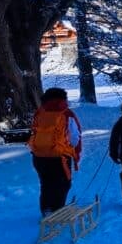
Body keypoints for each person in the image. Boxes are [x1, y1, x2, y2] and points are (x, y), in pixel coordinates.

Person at [28, 87, 82, 216]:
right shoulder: (66, 113)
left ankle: (46, 210)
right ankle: (58, 212)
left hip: (39, 156)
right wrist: (74, 152)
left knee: (46, 183)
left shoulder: (40, 112)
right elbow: (75, 136)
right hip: (60, 156)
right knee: (63, 184)